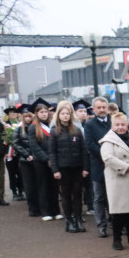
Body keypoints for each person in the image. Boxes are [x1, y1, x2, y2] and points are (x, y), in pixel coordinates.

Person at [99, 112, 129, 251]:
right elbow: (108, 158)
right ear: (112, 126)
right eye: (117, 124)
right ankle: (117, 240)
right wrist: (127, 167)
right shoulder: (108, 141)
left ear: (127, 125)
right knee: (118, 212)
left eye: (123, 124)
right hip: (119, 179)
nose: (120, 127)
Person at [48, 100, 89, 233]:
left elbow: (84, 150)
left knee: (78, 195)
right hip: (63, 168)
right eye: (63, 113)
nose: (65, 116)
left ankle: (78, 219)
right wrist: (55, 170)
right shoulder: (54, 132)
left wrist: (85, 168)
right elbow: (52, 152)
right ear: (58, 116)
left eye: (68, 114)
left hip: (77, 167)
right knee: (66, 195)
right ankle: (69, 220)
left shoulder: (77, 130)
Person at [26, 104, 61, 221]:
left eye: (45, 112)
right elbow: (34, 146)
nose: (44, 114)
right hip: (40, 162)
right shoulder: (32, 127)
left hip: (53, 160)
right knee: (43, 186)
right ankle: (45, 211)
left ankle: (56, 210)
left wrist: (53, 159)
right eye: (41, 112)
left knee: (54, 186)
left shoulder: (53, 126)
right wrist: (47, 159)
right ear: (36, 114)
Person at [83, 96, 112, 237]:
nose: (101, 110)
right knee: (99, 197)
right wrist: (107, 154)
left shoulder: (114, 122)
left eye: (104, 107)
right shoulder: (89, 125)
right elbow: (89, 145)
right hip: (98, 165)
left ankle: (115, 222)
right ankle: (101, 225)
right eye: (98, 107)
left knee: (113, 196)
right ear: (93, 109)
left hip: (114, 166)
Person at [13, 110, 42, 218]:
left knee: (39, 184)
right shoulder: (19, 129)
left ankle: (40, 207)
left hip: (37, 159)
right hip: (25, 161)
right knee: (29, 185)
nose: (28, 119)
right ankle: (32, 208)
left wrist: (36, 155)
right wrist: (26, 155)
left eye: (30, 117)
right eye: (26, 117)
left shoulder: (36, 128)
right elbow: (16, 144)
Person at [2, 106, 25, 203]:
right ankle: (14, 191)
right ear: (8, 114)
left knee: (21, 172)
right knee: (12, 173)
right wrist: (5, 152)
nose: (13, 114)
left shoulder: (21, 124)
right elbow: (3, 140)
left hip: (19, 152)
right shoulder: (5, 125)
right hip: (9, 153)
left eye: (15, 112)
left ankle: (21, 191)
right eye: (11, 112)